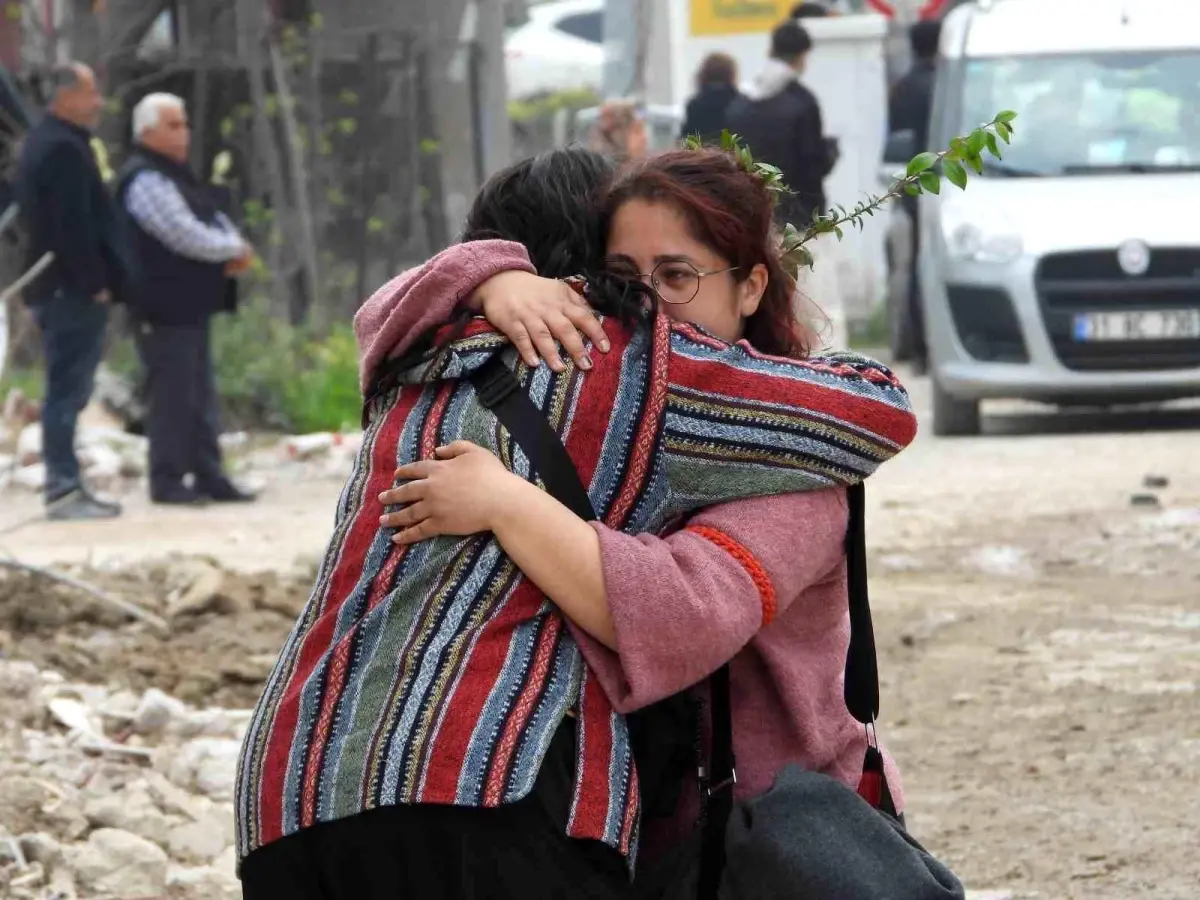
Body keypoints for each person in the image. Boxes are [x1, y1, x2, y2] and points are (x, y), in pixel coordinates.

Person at [235, 147, 916, 898]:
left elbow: (382, 309)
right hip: (488, 779)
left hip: (290, 785)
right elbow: (876, 412)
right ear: (586, 267)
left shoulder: (416, 358)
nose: (649, 301)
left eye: (676, 274)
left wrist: (484, 279)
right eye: (628, 276)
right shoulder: (631, 359)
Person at [115, 93, 256, 505]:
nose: (185, 132)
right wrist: (231, 249)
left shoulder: (175, 174)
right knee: (172, 397)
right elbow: (181, 232)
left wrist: (233, 243)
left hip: (189, 307)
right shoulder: (144, 178)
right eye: (174, 125)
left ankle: (209, 475)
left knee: (199, 395)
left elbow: (207, 216)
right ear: (148, 132)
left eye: (184, 123)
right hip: (162, 308)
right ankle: (168, 479)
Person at [15, 62, 131, 520]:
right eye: (89, 91)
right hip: (68, 290)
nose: (98, 101)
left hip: (63, 287)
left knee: (71, 391)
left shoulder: (58, 140)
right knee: (65, 391)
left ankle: (69, 485)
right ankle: (63, 489)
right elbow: (69, 227)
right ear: (64, 96)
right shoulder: (59, 147)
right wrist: (94, 283)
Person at [726, 20, 838, 226]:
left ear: (771, 50)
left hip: (752, 215)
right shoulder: (802, 102)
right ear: (802, 56)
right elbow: (811, 166)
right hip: (798, 216)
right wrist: (830, 153)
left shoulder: (740, 103)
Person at [888, 20, 942, 372]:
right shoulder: (945, 84)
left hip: (914, 186)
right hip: (950, 184)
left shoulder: (903, 87)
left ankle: (920, 349)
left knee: (916, 265)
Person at [679, 53, 744, 145]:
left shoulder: (695, 105)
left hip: (703, 156)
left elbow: (687, 139)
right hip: (733, 156)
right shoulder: (741, 103)